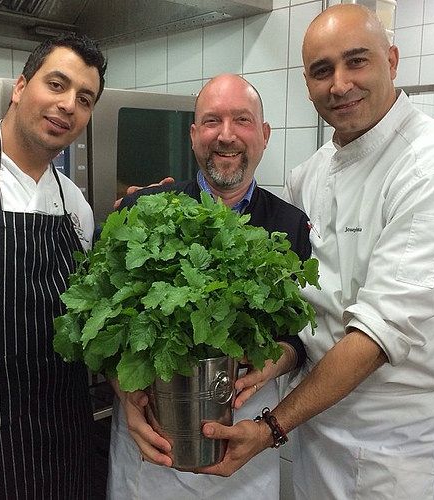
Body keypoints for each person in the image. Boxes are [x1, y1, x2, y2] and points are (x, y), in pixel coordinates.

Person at [196, 4, 434, 499]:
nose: (340, 84)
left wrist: (270, 426)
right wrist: (165, 207)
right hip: (313, 427)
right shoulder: (311, 173)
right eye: (322, 70)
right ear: (307, 83)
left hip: (387, 449)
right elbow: (281, 286)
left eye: (357, 62)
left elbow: (379, 330)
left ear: (391, 61)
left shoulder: (427, 166)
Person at [107, 73, 313, 499]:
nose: (226, 135)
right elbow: (106, 331)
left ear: (264, 134)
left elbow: (301, 332)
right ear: (193, 134)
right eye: (211, 121)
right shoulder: (141, 209)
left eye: (242, 120)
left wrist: (277, 360)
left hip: (244, 438)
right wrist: (123, 391)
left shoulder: (290, 224)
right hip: (151, 449)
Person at [0, 33, 106, 498]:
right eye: (56, 84)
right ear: (19, 87)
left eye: (84, 98)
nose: (68, 105)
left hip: (65, 445)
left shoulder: (74, 204)